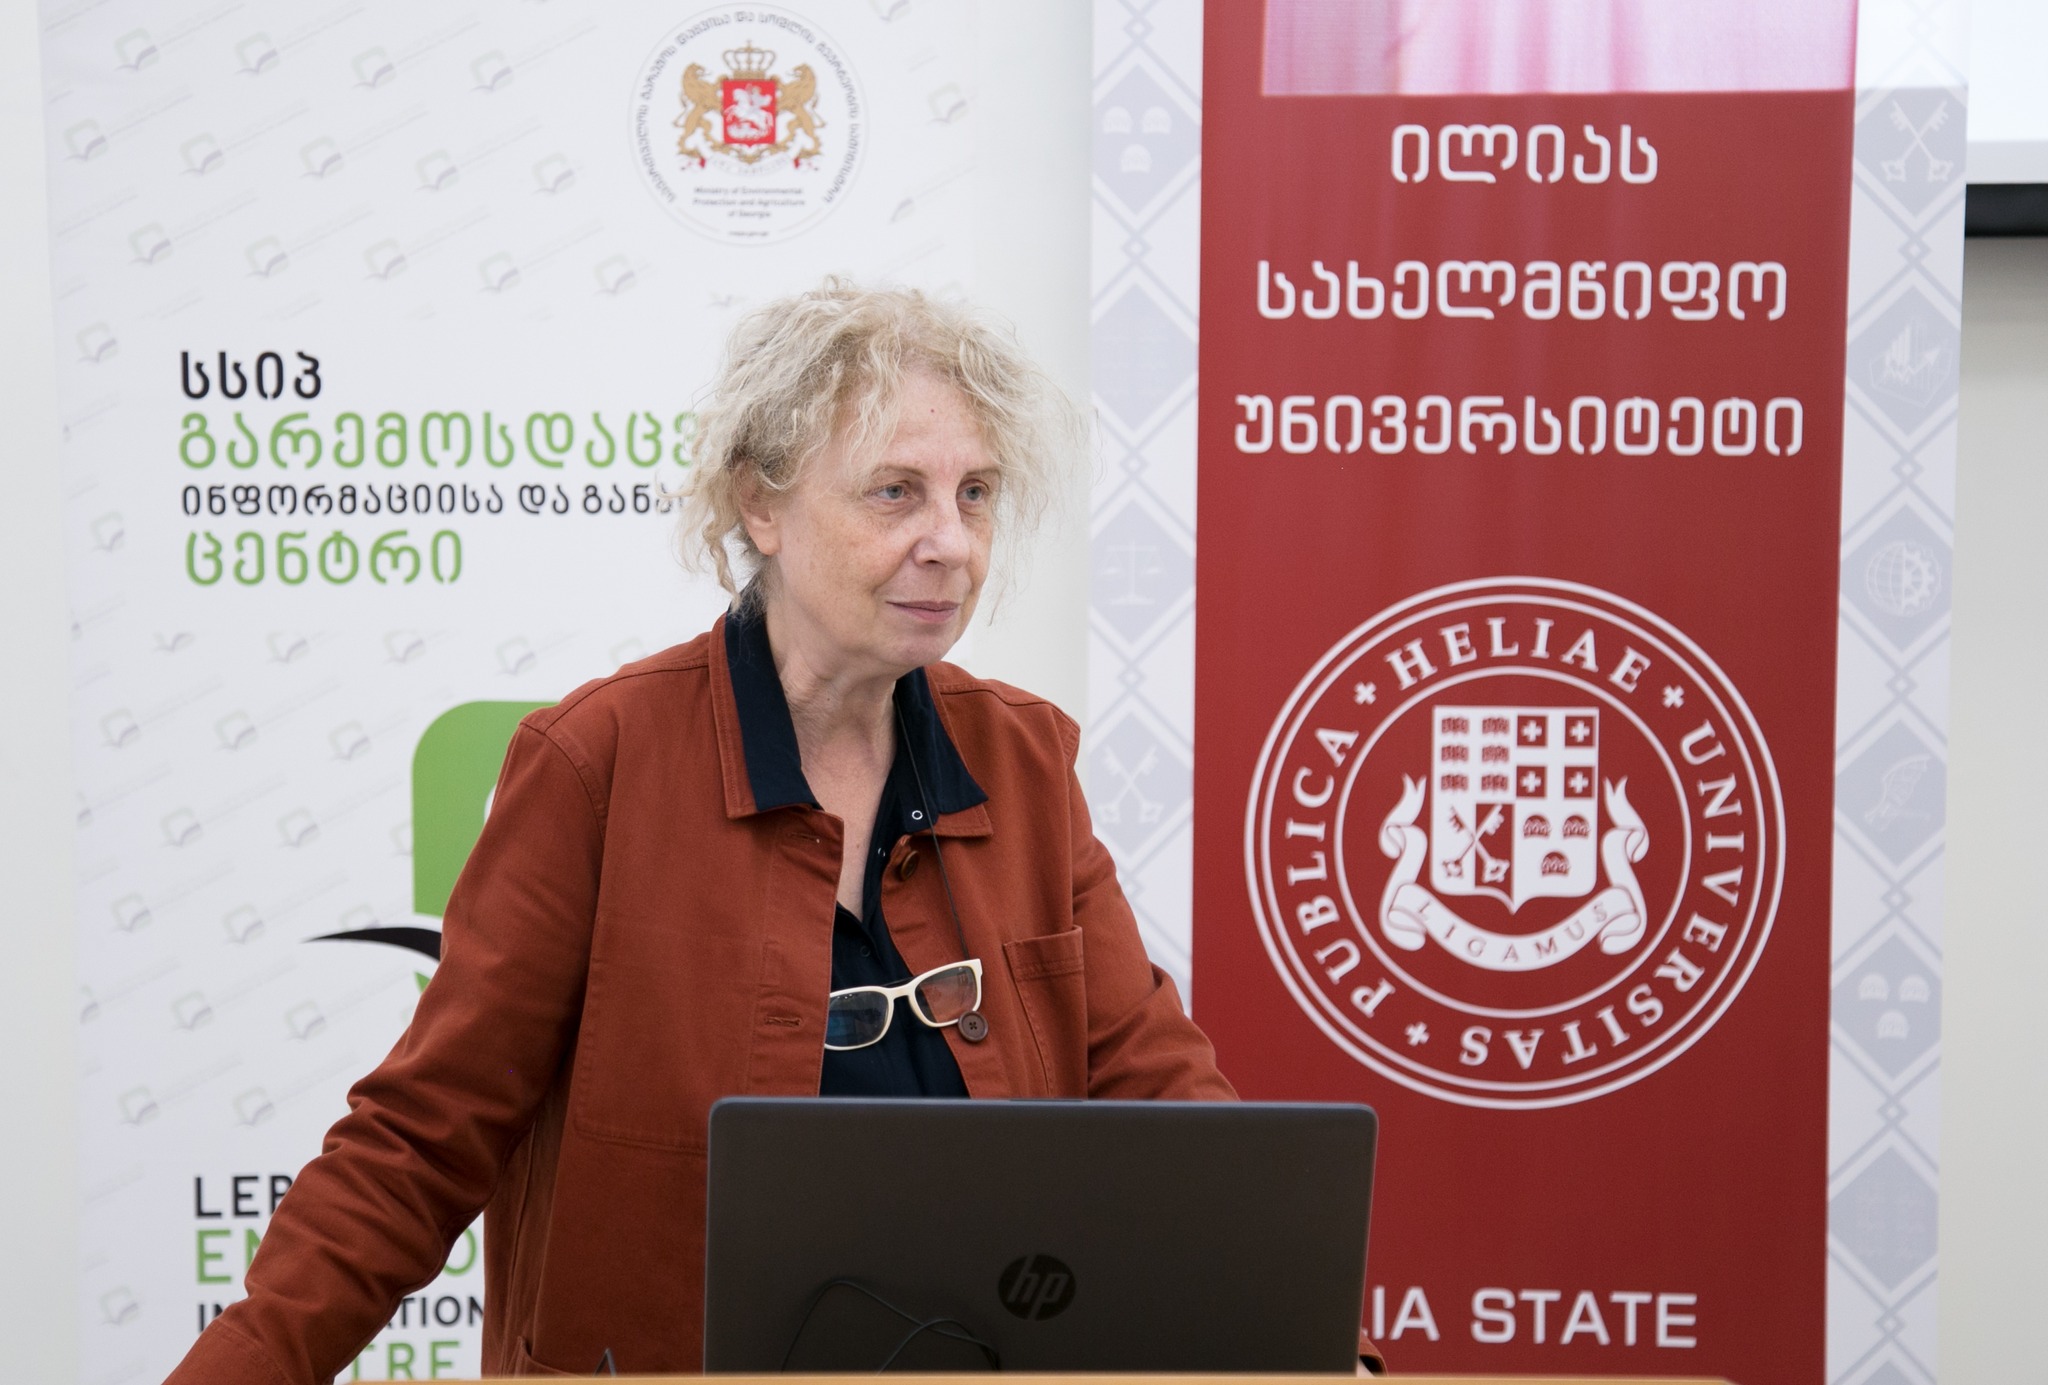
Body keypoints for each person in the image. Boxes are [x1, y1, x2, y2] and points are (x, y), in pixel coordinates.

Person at [166, 280, 1386, 1381]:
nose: (950, 542)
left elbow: (1159, 1102)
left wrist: (1314, 1350)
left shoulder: (1022, 759)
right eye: (895, 491)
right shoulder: (595, 762)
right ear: (760, 503)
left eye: (974, 494)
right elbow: (418, 1143)